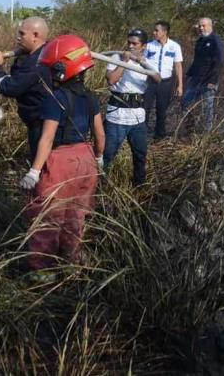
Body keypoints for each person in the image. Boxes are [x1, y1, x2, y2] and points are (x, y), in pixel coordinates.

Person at [19, 35, 105, 272]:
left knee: (48, 217)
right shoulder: (91, 97)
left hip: (61, 162)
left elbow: (46, 138)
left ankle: (42, 272)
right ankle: (70, 263)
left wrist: (34, 171)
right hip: (86, 159)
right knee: (76, 216)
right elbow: (100, 134)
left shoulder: (54, 99)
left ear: (60, 69)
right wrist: (98, 158)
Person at [0, 17, 53, 162]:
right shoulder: (45, 53)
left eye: (22, 34)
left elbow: (10, 87)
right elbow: (19, 76)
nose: (18, 37)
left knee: (42, 170)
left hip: (41, 127)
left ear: (35, 36)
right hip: (40, 124)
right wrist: (20, 55)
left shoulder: (36, 63)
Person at [103, 29, 161, 186]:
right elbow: (111, 80)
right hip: (117, 116)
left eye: (134, 43)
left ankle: (139, 186)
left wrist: (141, 61)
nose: (130, 46)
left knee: (140, 154)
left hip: (137, 118)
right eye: (128, 42)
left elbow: (157, 79)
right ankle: (100, 187)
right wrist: (125, 62)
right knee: (107, 154)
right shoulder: (117, 57)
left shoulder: (149, 61)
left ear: (143, 46)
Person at [182, 17, 224, 131]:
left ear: (210, 26)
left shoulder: (216, 40)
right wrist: (189, 75)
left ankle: (207, 132)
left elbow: (219, 61)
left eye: (203, 25)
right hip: (195, 79)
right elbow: (197, 60)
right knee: (186, 101)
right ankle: (190, 128)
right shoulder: (200, 40)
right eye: (199, 26)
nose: (201, 28)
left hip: (208, 80)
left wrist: (213, 80)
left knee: (207, 107)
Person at [143, 20, 183, 139]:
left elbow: (178, 65)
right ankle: (141, 134)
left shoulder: (174, 46)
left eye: (157, 30)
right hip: (149, 82)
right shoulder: (149, 45)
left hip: (165, 83)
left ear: (164, 32)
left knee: (162, 109)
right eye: (154, 30)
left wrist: (180, 85)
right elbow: (142, 62)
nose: (154, 32)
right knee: (145, 108)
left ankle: (159, 136)